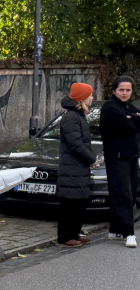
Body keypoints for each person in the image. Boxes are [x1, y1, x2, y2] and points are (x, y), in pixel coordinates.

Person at [99, 76, 140, 248]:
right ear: (114, 91)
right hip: (116, 157)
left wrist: (131, 118)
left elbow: (134, 122)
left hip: (132, 156)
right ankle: (129, 233)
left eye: (128, 90)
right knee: (123, 193)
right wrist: (132, 119)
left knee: (131, 191)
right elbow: (125, 125)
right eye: (121, 90)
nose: (125, 93)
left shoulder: (130, 107)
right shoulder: (109, 107)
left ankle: (115, 230)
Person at [57, 83, 97, 248]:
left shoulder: (78, 115)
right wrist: (92, 159)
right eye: (90, 95)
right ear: (81, 98)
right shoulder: (71, 117)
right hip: (71, 168)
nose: (92, 97)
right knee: (70, 203)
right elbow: (75, 144)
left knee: (79, 202)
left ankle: (74, 233)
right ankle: (65, 237)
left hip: (78, 167)